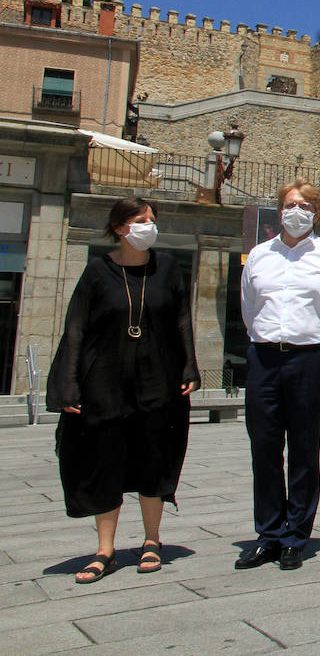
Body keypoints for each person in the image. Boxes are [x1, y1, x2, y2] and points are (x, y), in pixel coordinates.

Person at [46, 197, 199, 583]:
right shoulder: (97, 271)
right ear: (119, 228)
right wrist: (68, 384)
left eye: (152, 219)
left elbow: (182, 320)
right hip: (105, 382)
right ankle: (105, 550)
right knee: (104, 461)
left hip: (157, 381)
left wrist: (189, 365)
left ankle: (152, 541)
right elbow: (76, 329)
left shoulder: (167, 269)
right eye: (140, 219)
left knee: (153, 458)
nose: (148, 225)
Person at [237, 181, 320, 571]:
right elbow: (249, 307)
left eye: (304, 205)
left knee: (304, 446)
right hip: (265, 356)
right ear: (279, 210)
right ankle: (268, 532)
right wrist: (266, 338)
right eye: (290, 204)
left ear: (316, 214)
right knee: (264, 446)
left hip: (309, 358)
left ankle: (296, 535)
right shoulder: (258, 256)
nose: (296, 210)